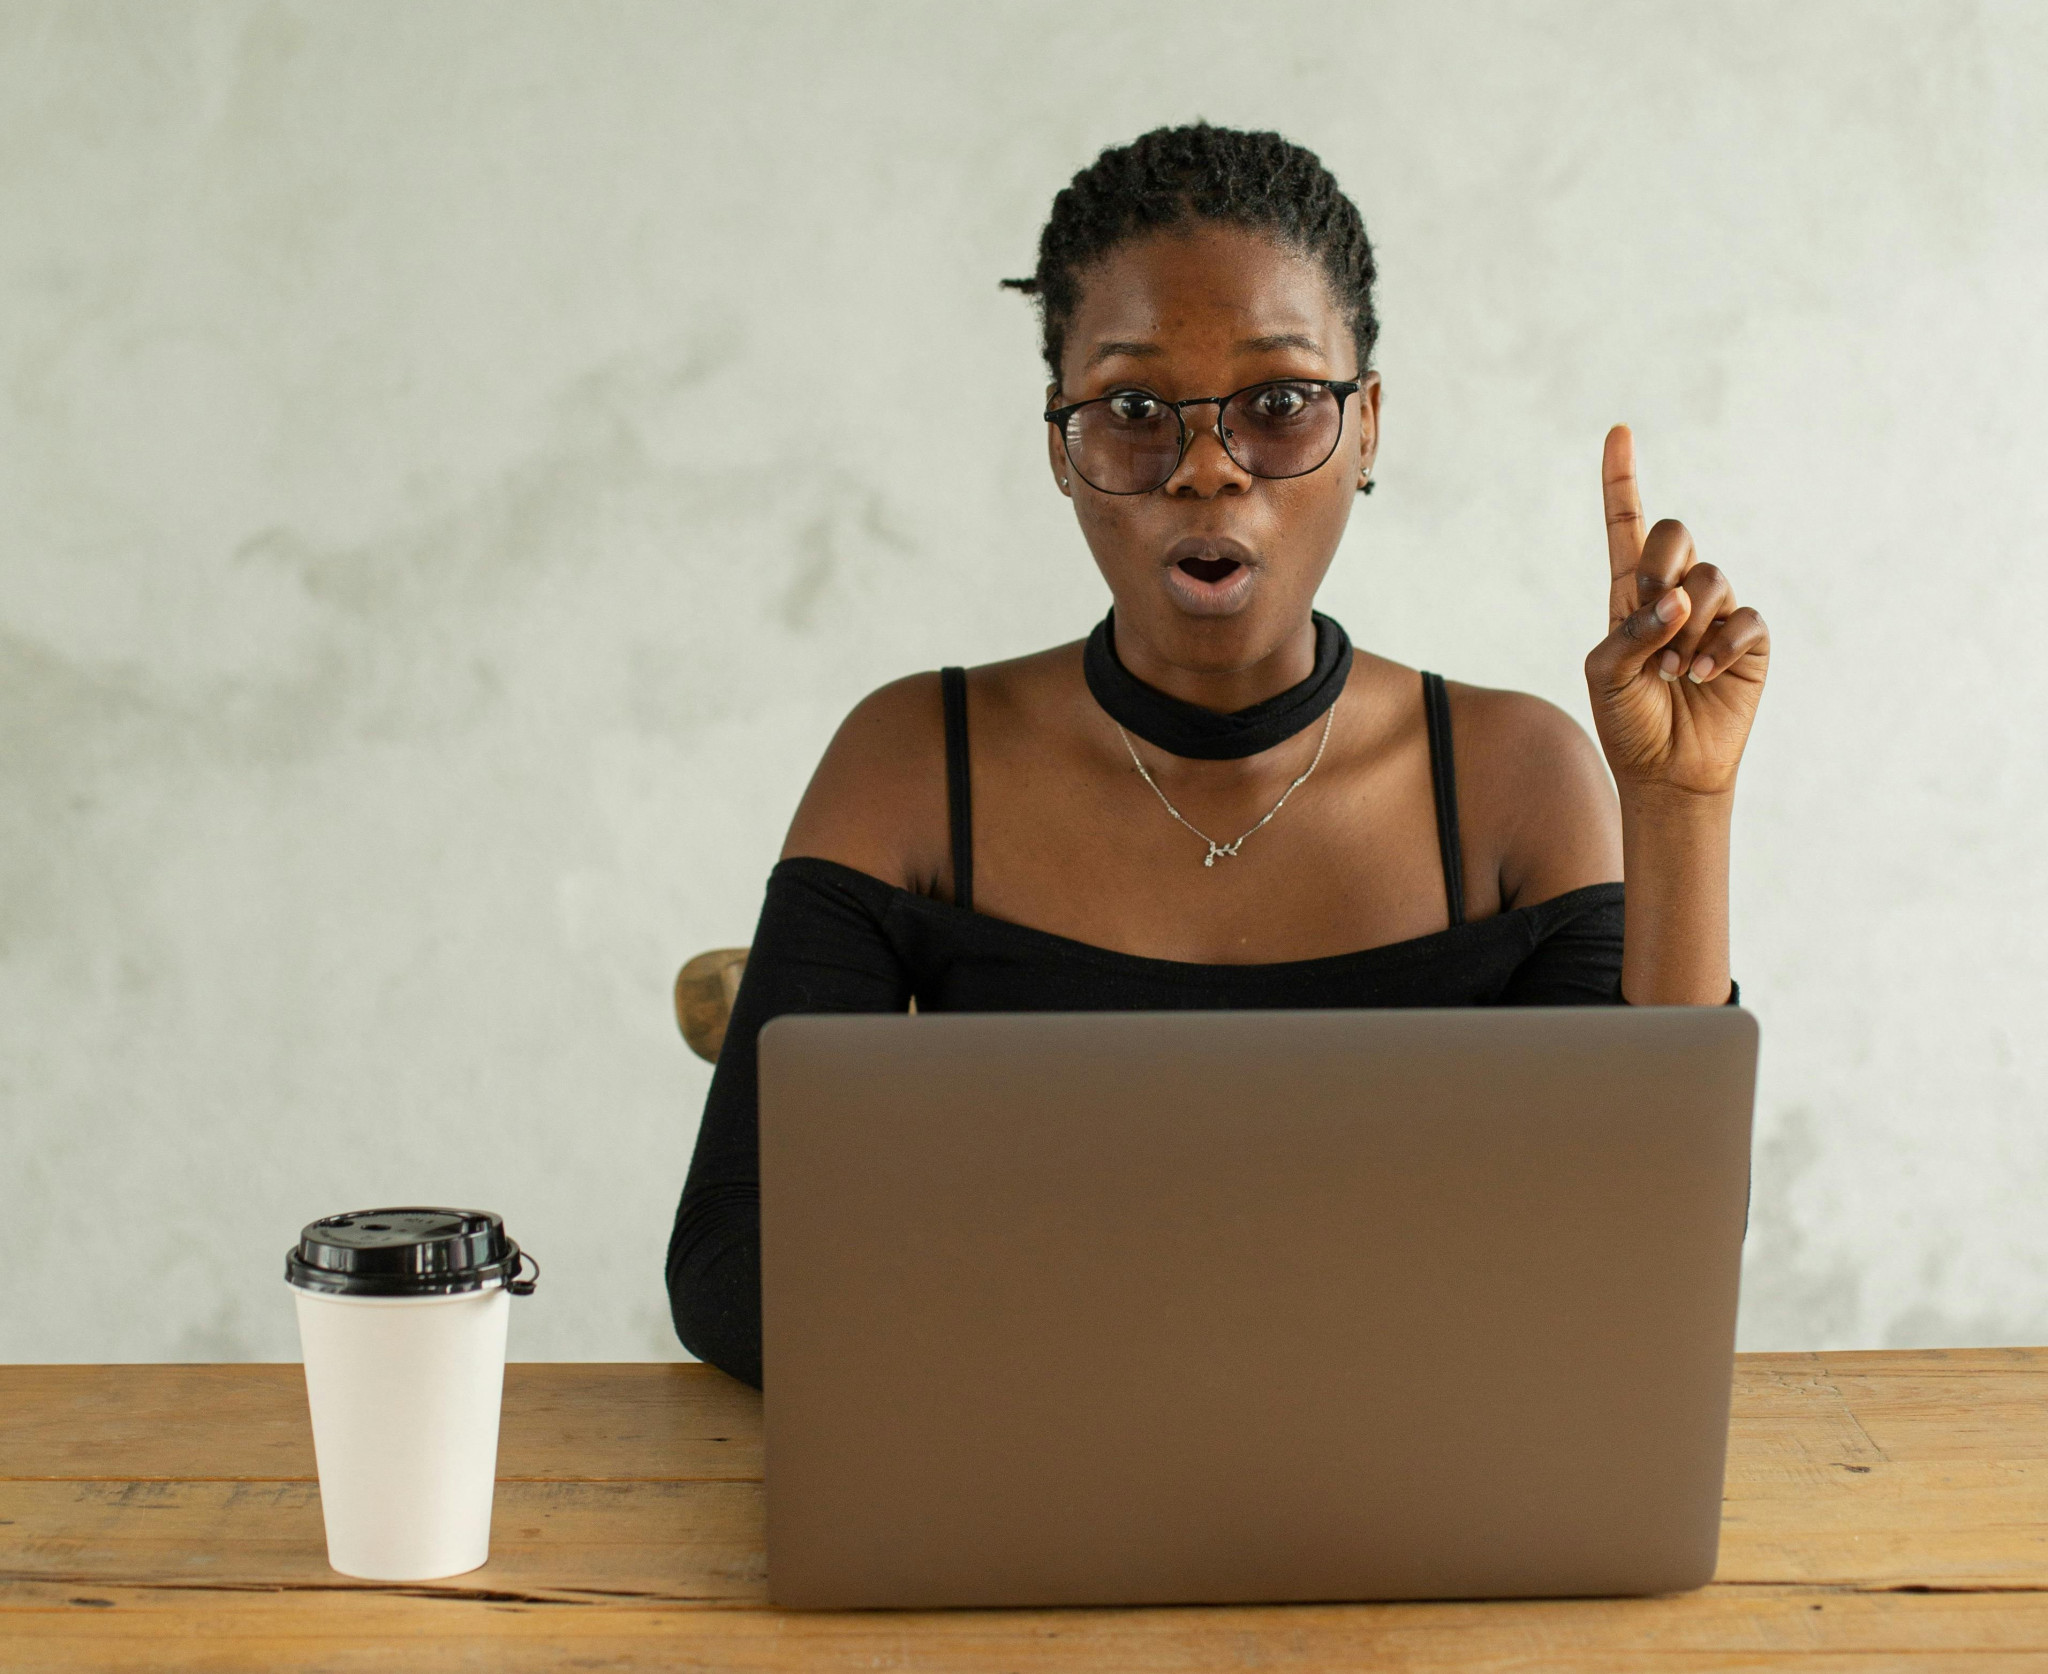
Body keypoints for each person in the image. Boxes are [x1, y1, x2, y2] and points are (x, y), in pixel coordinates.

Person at [667, 124, 1769, 1389]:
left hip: (1411, 1530)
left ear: (1365, 432)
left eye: (1281, 405)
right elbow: (733, 1273)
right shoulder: (916, 764)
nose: (1204, 466)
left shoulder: (1516, 781)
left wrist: (1678, 808)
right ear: (1057, 444)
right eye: (1134, 410)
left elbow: (1650, 1262)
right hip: (1034, 1512)